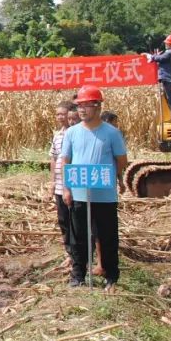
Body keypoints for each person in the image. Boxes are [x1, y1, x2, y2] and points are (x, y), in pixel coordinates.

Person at [62, 85, 128, 291]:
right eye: (79, 105)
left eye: (87, 105)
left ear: (98, 107)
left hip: (105, 195)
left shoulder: (112, 133)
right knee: (78, 237)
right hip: (79, 193)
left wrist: (112, 178)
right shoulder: (72, 133)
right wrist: (67, 189)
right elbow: (66, 161)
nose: (82, 110)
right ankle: (78, 275)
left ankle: (111, 275)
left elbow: (121, 160)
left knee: (107, 236)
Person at [50, 100, 77, 268]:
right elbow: (53, 158)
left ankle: (78, 255)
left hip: (74, 184)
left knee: (76, 221)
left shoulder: (76, 134)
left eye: (63, 114)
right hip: (60, 185)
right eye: (58, 114)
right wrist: (52, 181)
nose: (60, 117)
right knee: (64, 220)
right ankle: (69, 253)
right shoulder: (58, 135)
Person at [144, 34, 171, 122]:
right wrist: (154, 56)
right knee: (168, 98)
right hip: (167, 79)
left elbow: (161, 58)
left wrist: (151, 57)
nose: (166, 45)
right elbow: (161, 57)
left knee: (170, 98)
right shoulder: (169, 53)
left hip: (169, 79)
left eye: (168, 43)